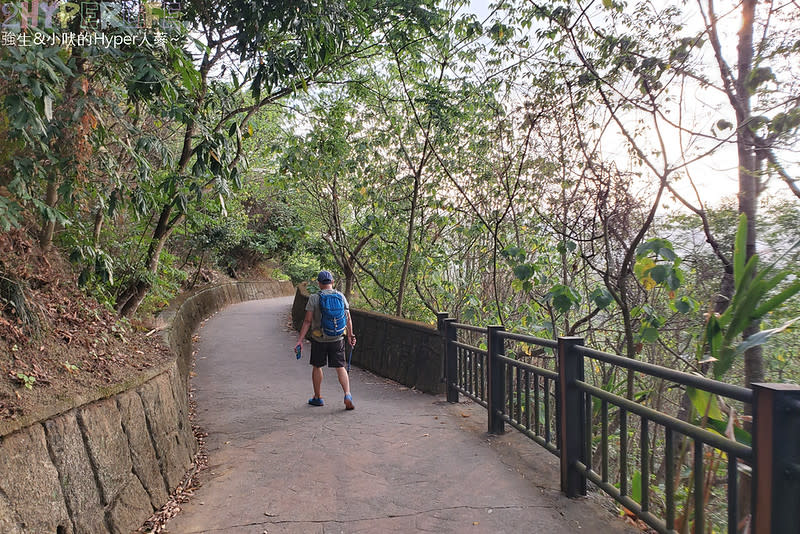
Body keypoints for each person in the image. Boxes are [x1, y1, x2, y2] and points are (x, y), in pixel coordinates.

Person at [295, 270, 357, 410]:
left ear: (319, 283)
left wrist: (300, 340)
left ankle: (318, 397)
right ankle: (347, 394)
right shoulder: (340, 296)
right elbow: (348, 318)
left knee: (317, 366)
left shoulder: (314, 298)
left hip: (319, 339)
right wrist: (350, 335)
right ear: (332, 282)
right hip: (337, 338)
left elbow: (307, 321)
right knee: (340, 366)